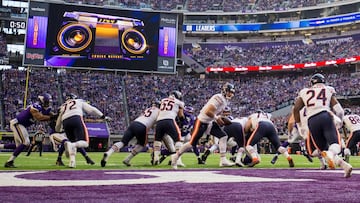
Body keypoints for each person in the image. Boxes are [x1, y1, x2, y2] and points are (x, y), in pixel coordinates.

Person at [293, 73, 352, 178]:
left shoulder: (304, 91)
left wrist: (299, 125)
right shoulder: (328, 89)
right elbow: (339, 111)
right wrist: (340, 121)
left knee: (323, 150)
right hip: (325, 116)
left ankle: (345, 166)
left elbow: (296, 109)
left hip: (312, 121)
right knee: (335, 145)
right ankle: (331, 155)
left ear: (311, 83)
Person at [171, 82, 236, 169]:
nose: (231, 94)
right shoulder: (219, 98)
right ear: (225, 91)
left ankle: (223, 160)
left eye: (232, 92)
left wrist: (219, 118)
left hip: (209, 122)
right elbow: (208, 112)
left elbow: (215, 113)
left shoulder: (225, 101)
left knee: (223, 136)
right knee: (191, 143)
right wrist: (217, 118)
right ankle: (175, 156)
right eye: (229, 92)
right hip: (201, 121)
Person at [56, 93, 111, 168]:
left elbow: (58, 121)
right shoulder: (78, 101)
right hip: (76, 118)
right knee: (85, 143)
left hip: (65, 122)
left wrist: (58, 129)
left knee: (73, 142)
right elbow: (92, 110)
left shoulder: (63, 106)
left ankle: (72, 162)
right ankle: (71, 145)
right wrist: (103, 116)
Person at [101, 100, 160, 167]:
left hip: (134, 123)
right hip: (143, 126)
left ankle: (109, 152)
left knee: (123, 142)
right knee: (142, 145)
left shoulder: (148, 109)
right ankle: (127, 159)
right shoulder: (159, 112)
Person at [5, 93, 54, 168]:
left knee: (18, 146)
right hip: (17, 123)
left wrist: (56, 116)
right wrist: (52, 117)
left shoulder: (44, 109)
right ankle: (9, 162)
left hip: (21, 125)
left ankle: (3, 149)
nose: (48, 103)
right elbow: (40, 117)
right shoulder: (35, 106)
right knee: (26, 142)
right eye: (47, 101)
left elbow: (51, 115)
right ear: (42, 101)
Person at [153, 91, 185, 166]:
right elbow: (181, 116)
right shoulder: (179, 102)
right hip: (170, 120)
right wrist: (182, 121)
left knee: (158, 140)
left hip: (159, 121)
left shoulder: (163, 100)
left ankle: (156, 158)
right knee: (178, 140)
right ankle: (178, 160)